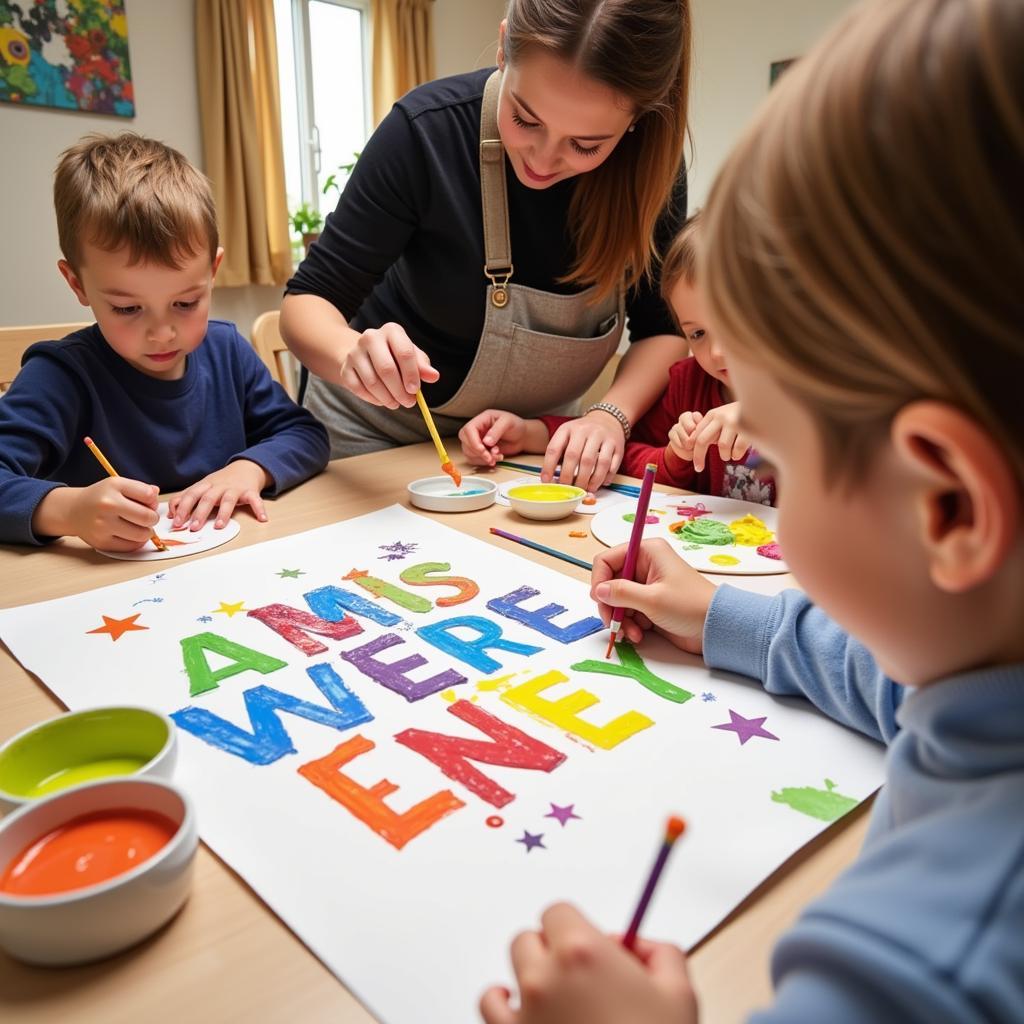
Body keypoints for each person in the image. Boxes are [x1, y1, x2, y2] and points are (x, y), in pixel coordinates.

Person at [480, 0, 1024, 1021]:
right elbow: (887, 678)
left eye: (773, 441)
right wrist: (718, 614)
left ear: (948, 504)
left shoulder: (924, 972)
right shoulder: (985, 663)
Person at [281, 0, 691, 494]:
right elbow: (307, 303)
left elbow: (664, 331)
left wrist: (610, 417)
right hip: (373, 443)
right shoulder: (426, 131)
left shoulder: (651, 174)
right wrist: (350, 354)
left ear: (638, 119)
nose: (542, 160)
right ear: (502, 48)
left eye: (586, 145)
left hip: (522, 450)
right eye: (525, 118)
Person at [0, 132, 330, 551]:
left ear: (213, 271)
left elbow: (305, 434)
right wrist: (68, 510)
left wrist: (250, 469)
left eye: (185, 302)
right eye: (127, 309)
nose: (161, 333)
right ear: (76, 283)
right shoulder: (60, 375)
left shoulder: (227, 351)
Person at [459, 213, 775, 504]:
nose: (716, 352)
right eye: (698, 334)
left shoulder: (820, 397)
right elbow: (621, 447)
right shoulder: (688, 383)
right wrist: (529, 434)